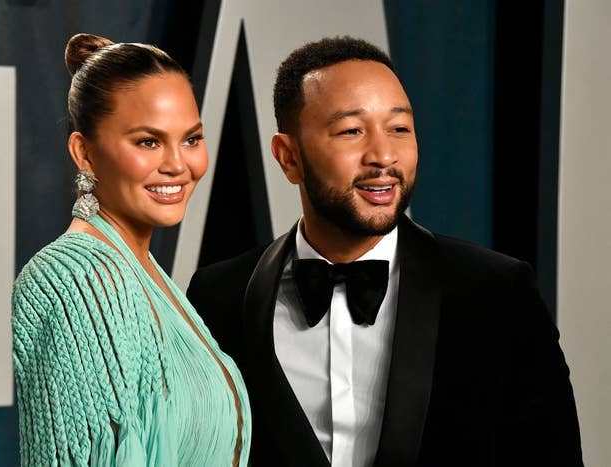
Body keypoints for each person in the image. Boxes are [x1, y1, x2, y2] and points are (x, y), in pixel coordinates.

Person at [186, 36, 582, 467]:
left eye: (399, 129)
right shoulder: (218, 296)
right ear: (288, 157)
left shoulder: (497, 292)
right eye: (351, 131)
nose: (383, 156)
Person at [12, 33, 250, 466]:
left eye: (192, 139)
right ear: (84, 153)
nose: (179, 164)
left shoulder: (145, 274)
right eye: (148, 142)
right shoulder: (80, 280)